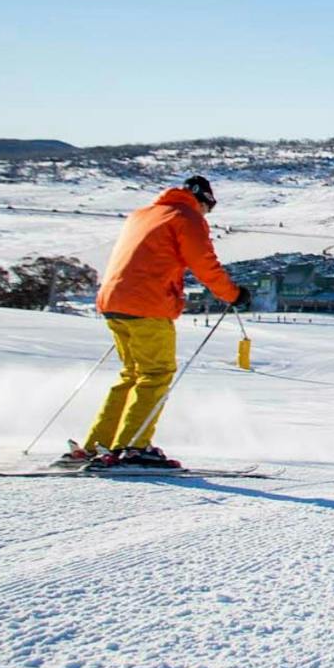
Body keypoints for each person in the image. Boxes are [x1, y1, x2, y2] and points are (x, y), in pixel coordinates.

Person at [65, 176, 249, 469]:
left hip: (114, 301)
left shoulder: (142, 214)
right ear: (203, 200)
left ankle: (96, 444)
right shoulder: (186, 216)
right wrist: (234, 294)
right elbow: (203, 262)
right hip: (147, 304)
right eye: (208, 208)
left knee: (131, 374)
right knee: (156, 373)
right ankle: (134, 447)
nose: (207, 214)